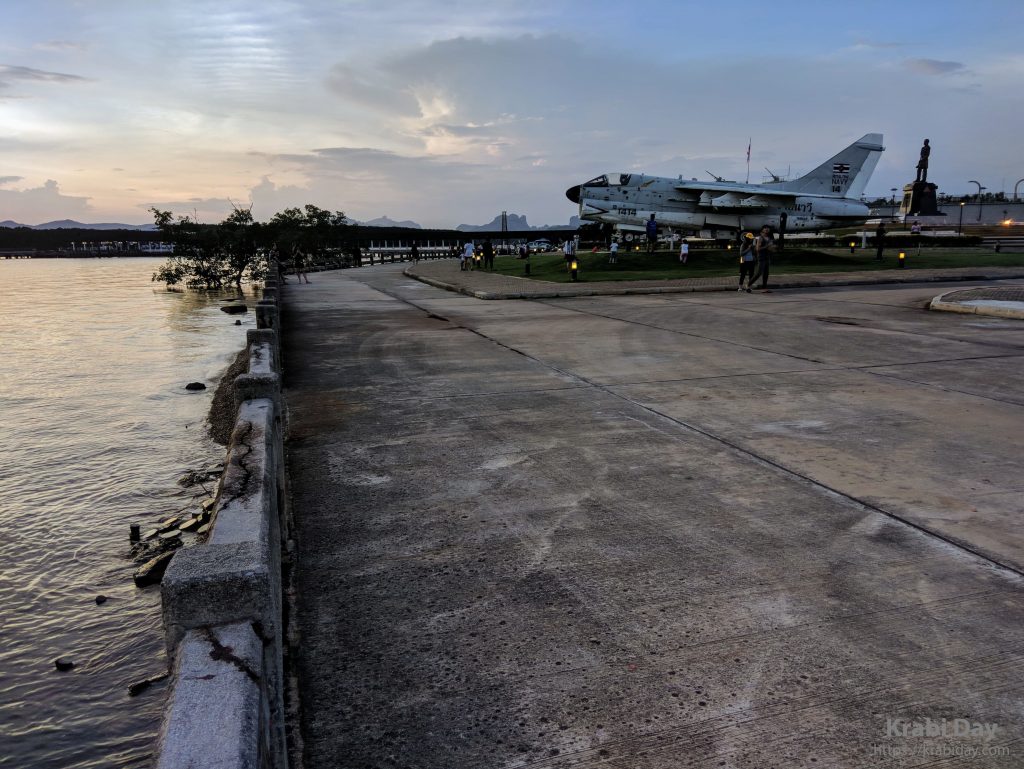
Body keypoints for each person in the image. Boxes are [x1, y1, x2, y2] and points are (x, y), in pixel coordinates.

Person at [749, 225, 774, 290]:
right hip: (761, 257)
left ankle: (764, 288)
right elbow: (757, 249)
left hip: (767, 257)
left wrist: (772, 248)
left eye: (768, 228)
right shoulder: (760, 238)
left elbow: (771, 249)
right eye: (765, 228)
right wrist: (766, 246)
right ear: (762, 230)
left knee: (766, 274)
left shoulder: (769, 238)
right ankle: (748, 284)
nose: (767, 229)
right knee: (759, 273)